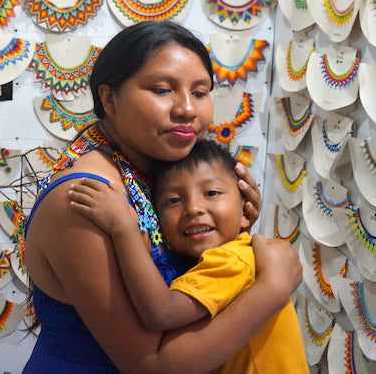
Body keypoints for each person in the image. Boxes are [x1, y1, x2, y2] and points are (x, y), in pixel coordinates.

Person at [22, 21, 302, 374]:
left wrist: (227, 230)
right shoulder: (86, 200)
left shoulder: (152, 169)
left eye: (200, 92)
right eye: (162, 90)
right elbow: (149, 365)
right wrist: (273, 288)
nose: (187, 108)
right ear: (109, 99)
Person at [67, 138, 309, 373]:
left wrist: (124, 230)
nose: (193, 208)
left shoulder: (229, 261)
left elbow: (162, 313)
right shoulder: (230, 255)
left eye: (212, 193)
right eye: (173, 200)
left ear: (247, 210)